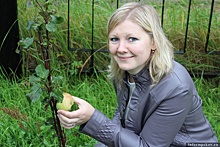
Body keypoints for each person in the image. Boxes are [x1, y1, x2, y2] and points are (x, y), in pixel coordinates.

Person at [57, 2, 218, 147]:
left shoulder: (175, 87)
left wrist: (93, 119)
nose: (121, 48)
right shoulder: (123, 70)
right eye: (114, 39)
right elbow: (123, 116)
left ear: (154, 42)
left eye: (132, 39)